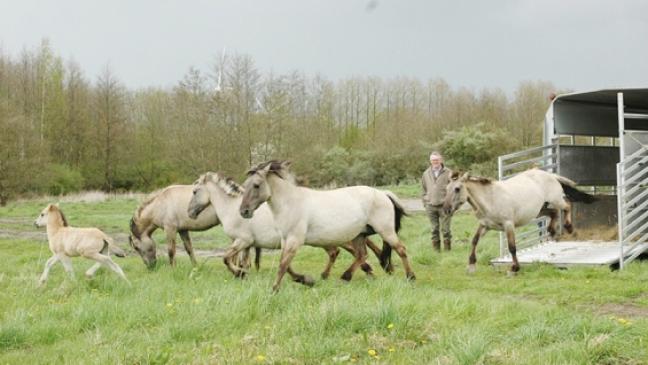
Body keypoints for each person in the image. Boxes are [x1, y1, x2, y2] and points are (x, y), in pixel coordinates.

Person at [421, 152, 453, 252]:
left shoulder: (448, 172)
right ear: (430, 161)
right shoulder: (426, 173)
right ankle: (436, 251)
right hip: (430, 206)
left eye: (437, 160)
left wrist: (450, 203)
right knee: (434, 229)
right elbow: (423, 189)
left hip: (445, 206)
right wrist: (425, 203)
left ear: (441, 160)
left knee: (446, 230)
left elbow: (454, 188)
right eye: (433, 160)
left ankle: (447, 251)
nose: (435, 162)